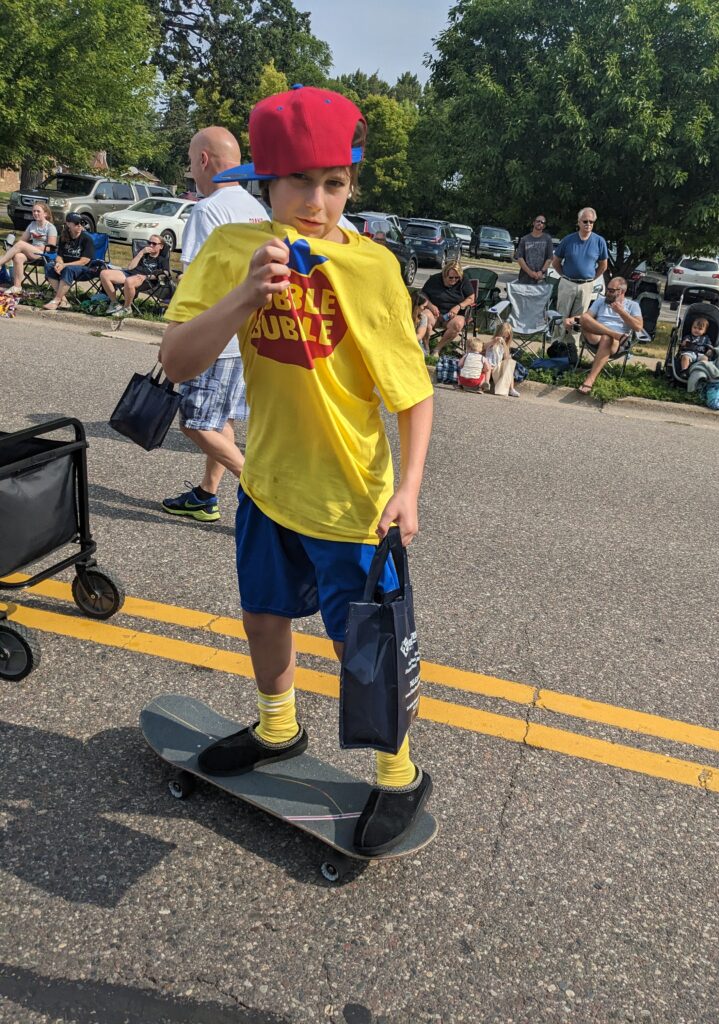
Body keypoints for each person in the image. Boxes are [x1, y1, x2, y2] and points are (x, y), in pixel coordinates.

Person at [159, 86, 434, 855]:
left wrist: (408, 491)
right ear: (266, 184)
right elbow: (177, 360)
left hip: (354, 502)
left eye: (334, 183)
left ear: (351, 183)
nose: (317, 202)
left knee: (365, 649)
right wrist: (246, 294)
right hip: (269, 487)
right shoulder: (230, 252)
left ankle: (399, 773)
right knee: (263, 617)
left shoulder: (373, 269)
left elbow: (413, 395)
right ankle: (279, 728)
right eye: (299, 183)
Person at [161, 126, 269, 523]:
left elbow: (194, 283)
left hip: (213, 338)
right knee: (219, 417)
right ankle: (206, 495)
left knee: (193, 421)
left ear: (204, 160)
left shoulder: (208, 209)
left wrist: (175, 337)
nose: (191, 169)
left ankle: (260, 489)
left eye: (191, 162)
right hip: (246, 336)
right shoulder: (257, 210)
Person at [566, 276, 642, 394]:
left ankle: (590, 380)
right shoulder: (600, 301)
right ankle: (614, 334)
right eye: (607, 289)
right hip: (597, 336)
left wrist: (621, 312)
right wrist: (571, 319)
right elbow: (586, 317)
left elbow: (638, 327)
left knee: (607, 339)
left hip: (617, 344)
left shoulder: (632, 305)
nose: (607, 293)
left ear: (621, 292)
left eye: (611, 291)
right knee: (585, 317)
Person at [551, 207, 609, 332]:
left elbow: (603, 265)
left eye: (591, 222)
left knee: (578, 322)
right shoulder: (568, 240)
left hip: (586, 286)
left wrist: (592, 279)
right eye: (585, 221)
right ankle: (557, 346)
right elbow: (556, 262)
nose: (588, 224)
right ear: (578, 222)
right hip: (567, 283)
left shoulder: (599, 242)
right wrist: (564, 275)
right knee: (561, 318)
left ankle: (572, 349)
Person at [100, 235, 167, 316]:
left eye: (154, 243)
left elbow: (165, 274)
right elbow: (130, 267)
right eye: (149, 243)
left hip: (145, 279)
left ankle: (127, 308)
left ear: (161, 246)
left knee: (129, 281)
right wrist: (141, 253)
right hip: (130, 274)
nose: (151, 245)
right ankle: (114, 303)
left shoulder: (162, 260)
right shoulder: (143, 254)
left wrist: (147, 277)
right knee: (104, 273)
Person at [1, 202, 57, 294]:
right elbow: (23, 240)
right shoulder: (32, 225)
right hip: (32, 252)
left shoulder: (50, 227)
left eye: (38, 211)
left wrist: (33, 247)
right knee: (18, 256)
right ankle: (17, 286)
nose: (35, 213)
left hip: (44, 254)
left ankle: (1, 262)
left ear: (45, 214)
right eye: (34, 211)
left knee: (20, 245)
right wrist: (29, 247)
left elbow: (51, 248)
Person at [43, 213, 95, 311]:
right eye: (76, 223)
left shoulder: (87, 239)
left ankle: (56, 300)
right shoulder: (64, 237)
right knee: (49, 266)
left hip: (85, 269)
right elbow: (59, 255)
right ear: (68, 224)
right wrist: (59, 263)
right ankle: (64, 299)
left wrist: (64, 265)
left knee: (68, 269)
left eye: (82, 222)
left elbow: (84, 261)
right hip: (66, 267)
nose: (79, 225)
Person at [422, 261, 475, 355]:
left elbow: (471, 298)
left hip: (453, 316)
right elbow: (422, 294)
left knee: (458, 324)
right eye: (451, 277)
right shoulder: (435, 279)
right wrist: (430, 305)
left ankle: (437, 349)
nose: (454, 280)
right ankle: (426, 347)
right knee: (424, 316)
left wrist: (458, 307)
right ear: (444, 274)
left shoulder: (463, 281)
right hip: (434, 314)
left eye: (457, 277)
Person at [484, 323, 520, 397]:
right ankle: (487, 384)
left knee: (510, 364)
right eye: (503, 336)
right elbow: (484, 347)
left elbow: (507, 357)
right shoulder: (492, 342)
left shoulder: (503, 346)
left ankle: (511, 389)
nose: (504, 338)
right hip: (490, 365)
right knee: (507, 365)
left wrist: (505, 345)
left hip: (497, 366)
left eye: (506, 337)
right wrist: (494, 341)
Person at [515, 215, 553, 284]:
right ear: (533, 223)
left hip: (541, 278)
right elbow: (520, 258)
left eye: (542, 222)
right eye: (538, 221)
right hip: (524, 278)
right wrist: (530, 272)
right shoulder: (524, 239)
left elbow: (549, 258)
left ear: (544, 226)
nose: (540, 223)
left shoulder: (548, 239)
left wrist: (542, 271)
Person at [410, 288, 430, 355]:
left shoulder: (422, 317)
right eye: (424, 306)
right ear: (416, 305)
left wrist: (406, 339)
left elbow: (419, 336)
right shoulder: (404, 314)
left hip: (414, 343)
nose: (425, 309)